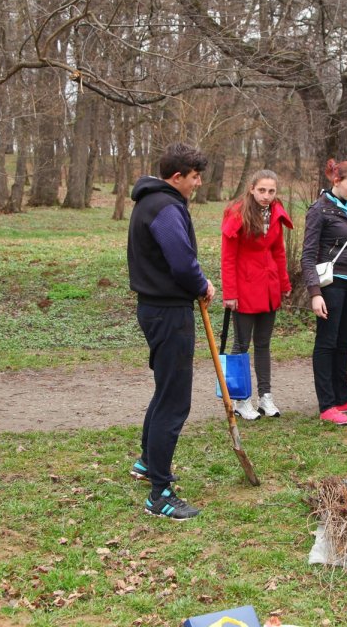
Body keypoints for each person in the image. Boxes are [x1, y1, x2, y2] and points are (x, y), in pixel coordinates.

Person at [127, 143, 214, 520]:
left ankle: (148, 462)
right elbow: (182, 262)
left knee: (166, 391)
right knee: (175, 400)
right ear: (177, 176)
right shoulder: (164, 208)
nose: (197, 184)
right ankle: (159, 494)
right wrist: (202, 285)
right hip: (167, 312)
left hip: (157, 308)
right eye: (194, 177)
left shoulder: (152, 201)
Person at [301, 160, 347, 425]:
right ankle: (327, 404)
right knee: (327, 342)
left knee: (345, 341)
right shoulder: (319, 209)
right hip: (332, 284)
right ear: (336, 181)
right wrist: (315, 292)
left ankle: (343, 397)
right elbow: (308, 255)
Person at [220, 170, 293, 420]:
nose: (266, 196)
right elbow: (227, 257)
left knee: (263, 344)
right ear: (251, 188)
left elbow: (278, 251)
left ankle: (265, 397)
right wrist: (230, 293)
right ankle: (241, 399)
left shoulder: (275, 212)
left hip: (269, 288)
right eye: (262, 190)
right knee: (241, 345)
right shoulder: (237, 212)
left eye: (271, 191)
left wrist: (284, 285)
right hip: (244, 288)